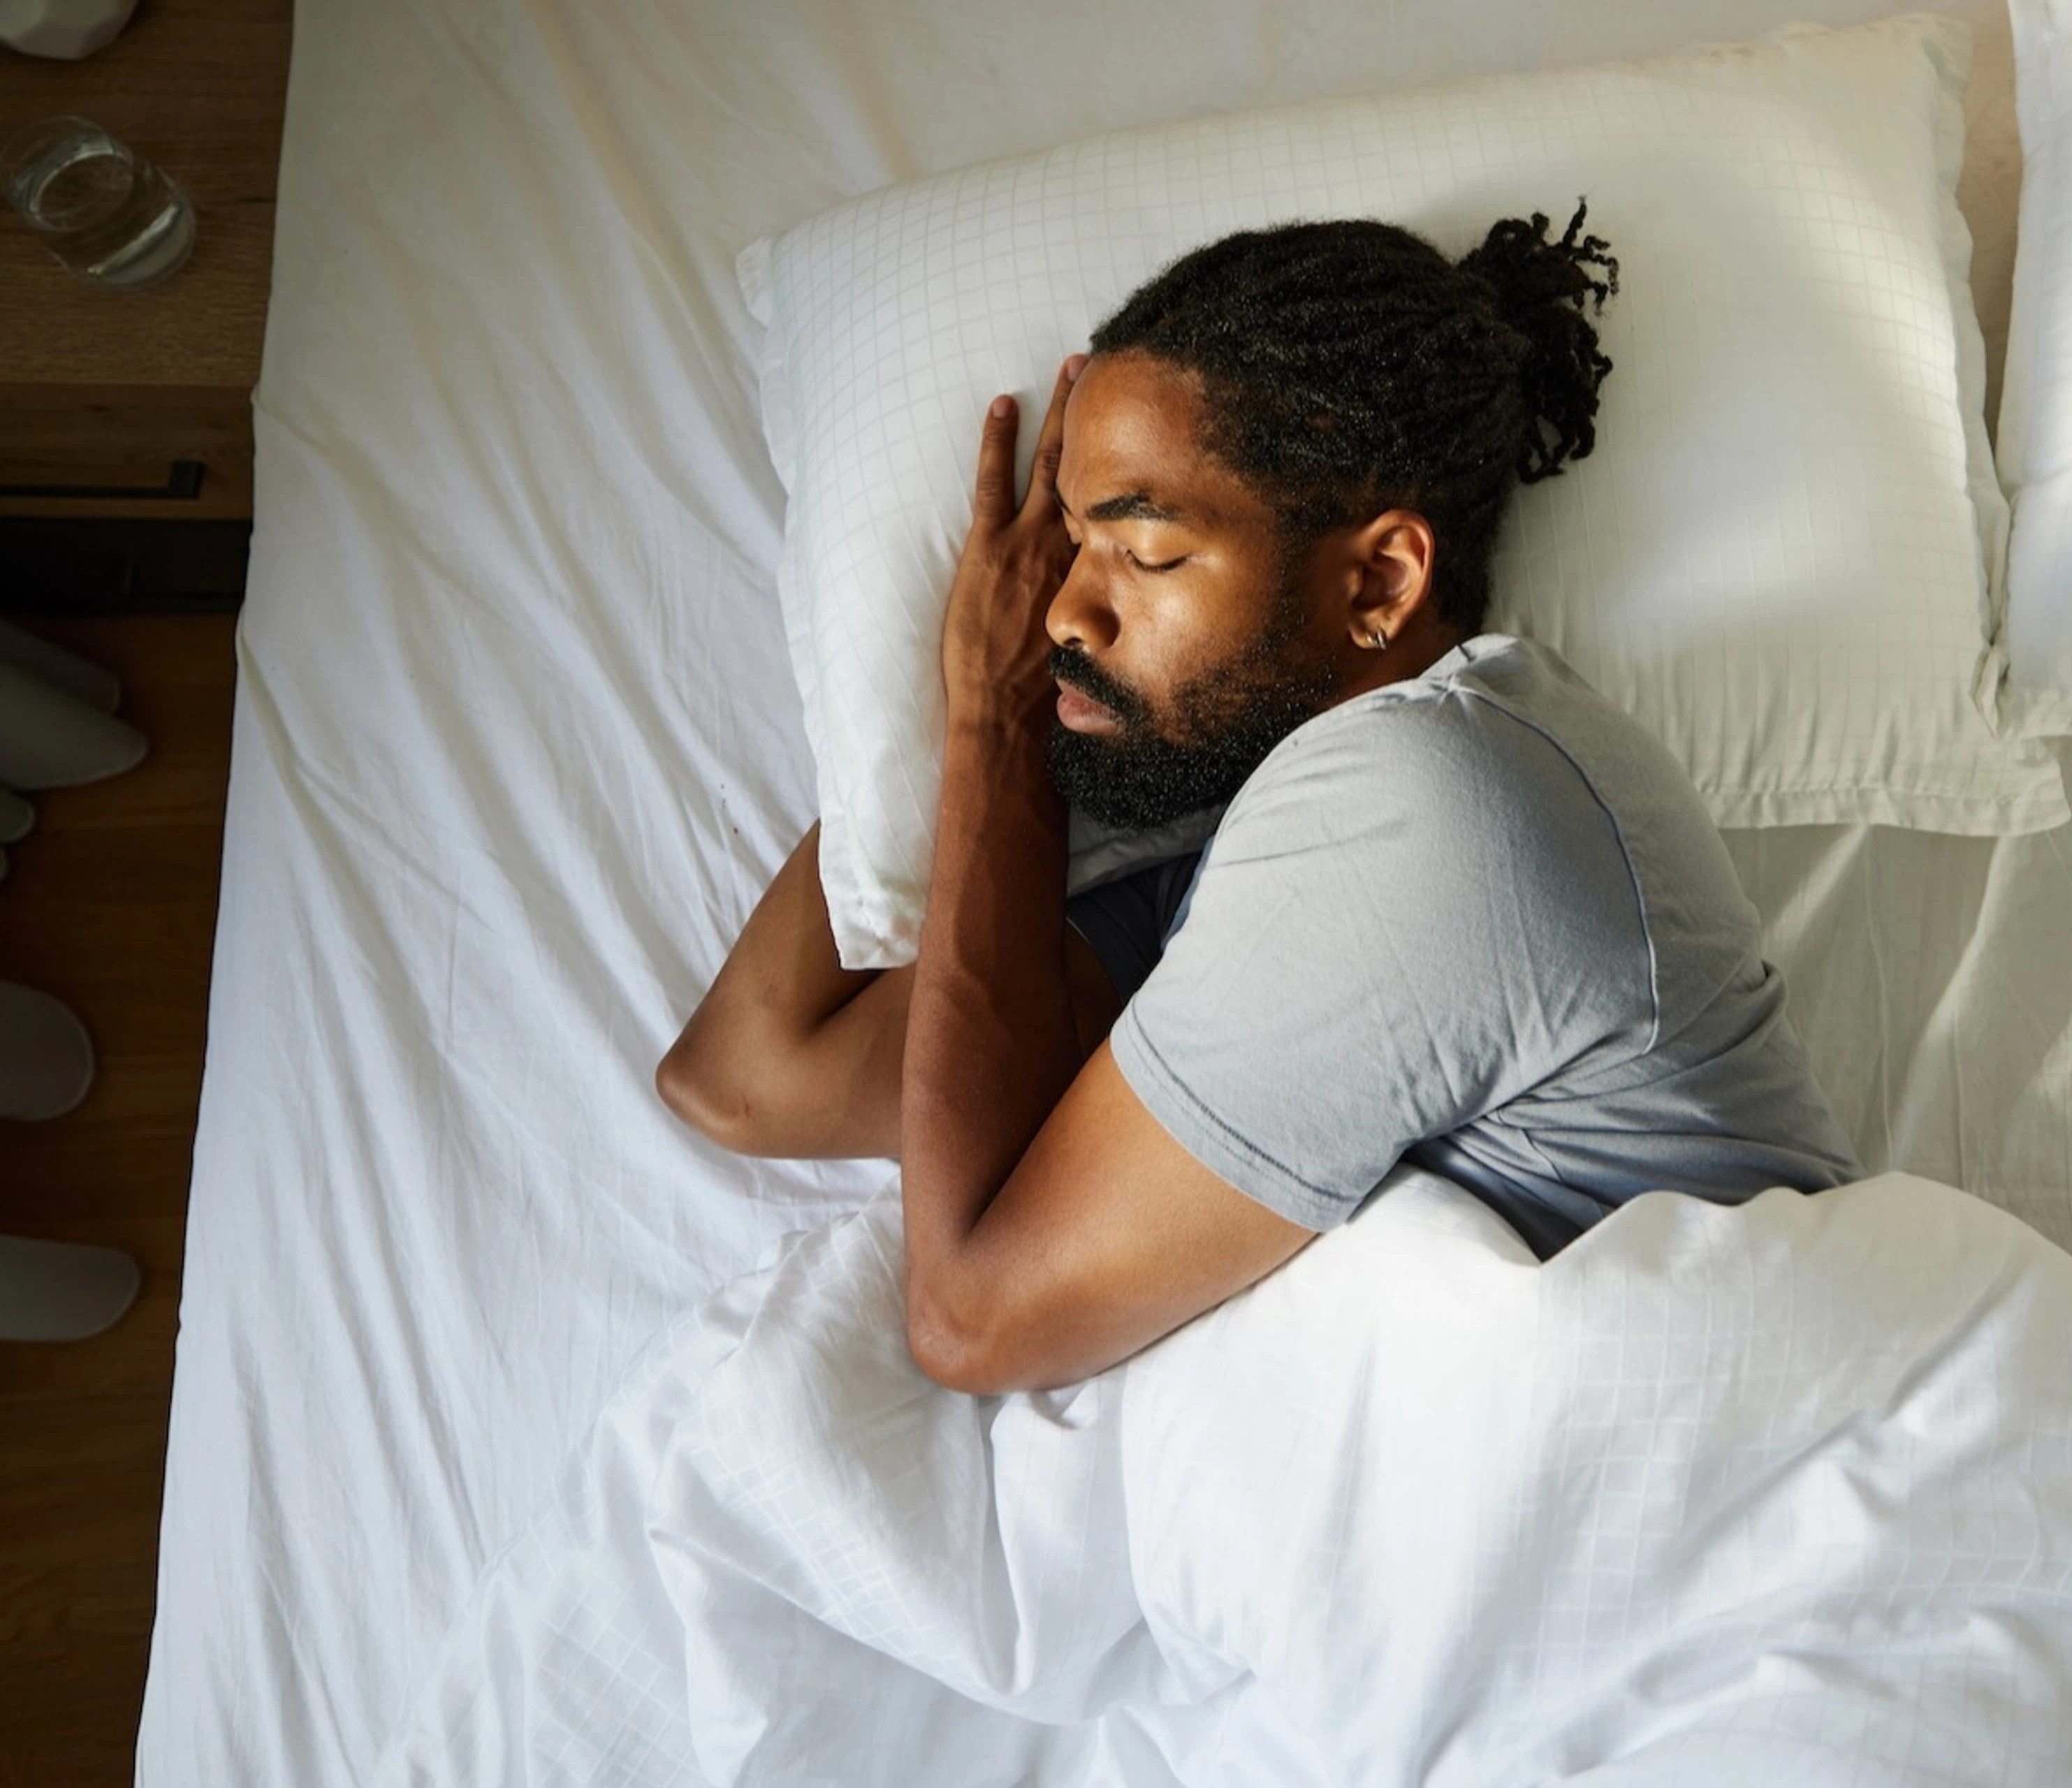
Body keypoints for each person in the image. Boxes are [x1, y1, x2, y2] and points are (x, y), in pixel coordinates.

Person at [658, 207, 1858, 1395]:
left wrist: (986, 715)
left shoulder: (1427, 809)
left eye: (1148, 551)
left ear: (1379, 577)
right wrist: (976, 719)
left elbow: (973, 1316)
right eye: (1071, 544)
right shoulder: (1255, 842)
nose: (1063, 613)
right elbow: (750, 1072)